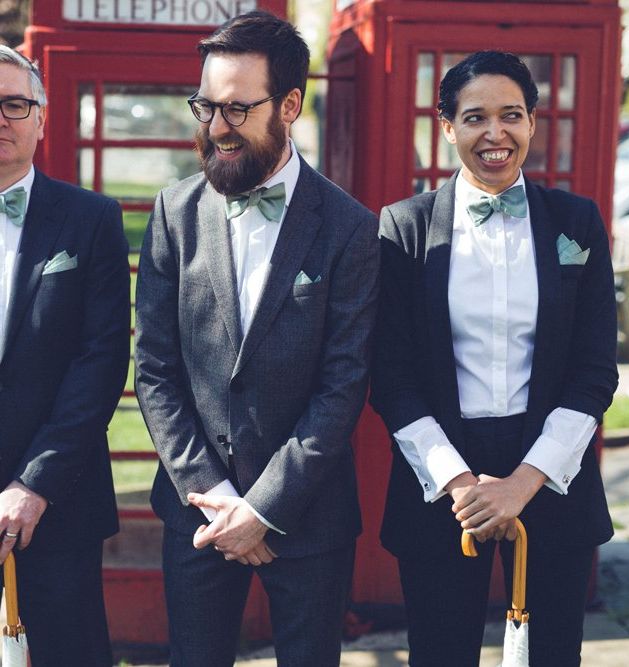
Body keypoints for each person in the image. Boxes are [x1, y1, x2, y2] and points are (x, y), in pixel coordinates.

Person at [134, 11, 379, 667]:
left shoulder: (349, 227)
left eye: (238, 109)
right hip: (199, 513)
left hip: (307, 513)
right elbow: (154, 367)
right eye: (206, 106)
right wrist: (215, 496)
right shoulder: (173, 211)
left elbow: (343, 382)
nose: (216, 127)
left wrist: (263, 507)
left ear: (290, 104)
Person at [370, 51, 618, 667]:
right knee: (441, 653)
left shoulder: (577, 222)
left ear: (532, 122)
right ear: (448, 127)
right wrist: (460, 483)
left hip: (551, 478)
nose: (495, 133)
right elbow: (390, 376)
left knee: (551, 654)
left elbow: (594, 371)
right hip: (443, 485)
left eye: (511, 115)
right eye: (475, 117)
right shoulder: (404, 228)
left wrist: (523, 482)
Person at [0, 45, 130, 666]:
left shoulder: (91, 219)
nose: (0, 117)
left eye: (14, 104)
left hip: (57, 502)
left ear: (43, 118)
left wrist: (34, 482)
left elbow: (101, 360)